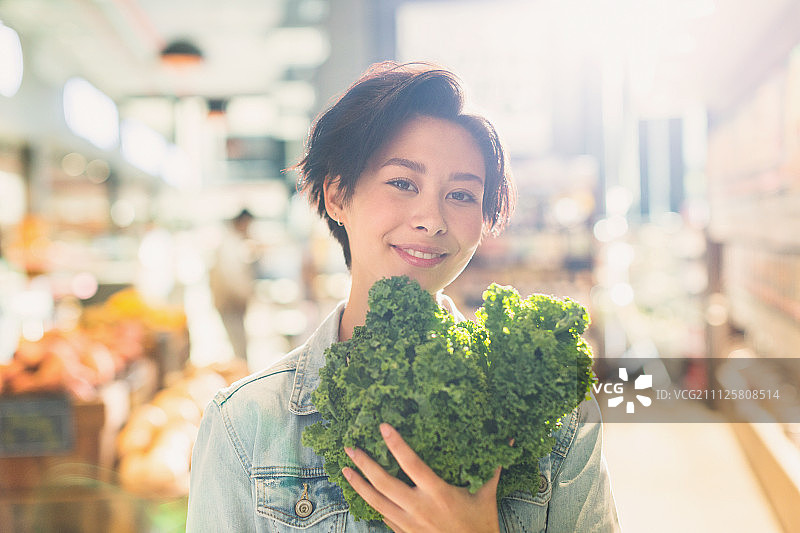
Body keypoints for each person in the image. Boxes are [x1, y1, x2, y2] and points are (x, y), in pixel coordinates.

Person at [187, 62, 620, 532]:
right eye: (402, 183)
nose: (431, 219)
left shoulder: (555, 416)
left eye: (461, 195)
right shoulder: (246, 425)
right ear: (337, 195)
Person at [209, 208, 257, 362]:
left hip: (231, 302)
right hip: (231, 303)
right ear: (242, 223)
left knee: (238, 343)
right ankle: (242, 375)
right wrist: (246, 295)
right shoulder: (232, 244)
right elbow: (234, 277)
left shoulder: (231, 241)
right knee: (238, 345)